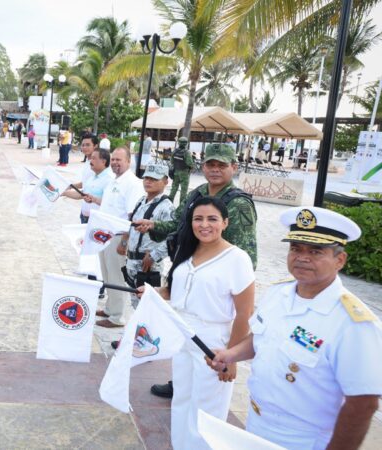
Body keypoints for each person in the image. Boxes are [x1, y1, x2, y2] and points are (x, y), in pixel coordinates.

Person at [207, 207, 381, 450]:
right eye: (295, 249)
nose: (302, 257)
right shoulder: (278, 293)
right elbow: (261, 338)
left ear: (339, 260)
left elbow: (363, 403)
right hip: (256, 423)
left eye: (316, 251)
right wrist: (231, 354)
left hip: (304, 441)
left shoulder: (353, 323)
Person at [134, 143, 257, 399]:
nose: (215, 170)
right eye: (211, 164)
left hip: (215, 303)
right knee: (184, 389)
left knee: (205, 404)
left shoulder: (239, 204)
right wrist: (154, 225)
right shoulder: (198, 192)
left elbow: (245, 257)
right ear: (203, 167)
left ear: (234, 168)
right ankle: (177, 382)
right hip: (189, 276)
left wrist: (232, 354)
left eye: (222, 165)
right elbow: (180, 224)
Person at [139, 195, 254, 450]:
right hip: (183, 336)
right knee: (182, 402)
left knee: (206, 414)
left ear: (225, 222)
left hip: (213, 343)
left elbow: (244, 314)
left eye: (212, 219)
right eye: (198, 219)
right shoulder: (187, 249)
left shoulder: (237, 259)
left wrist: (231, 357)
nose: (204, 225)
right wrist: (152, 292)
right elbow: (174, 291)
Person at [84, 146, 144, 327]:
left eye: (120, 160)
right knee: (108, 275)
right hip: (105, 235)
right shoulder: (113, 181)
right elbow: (110, 205)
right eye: (114, 160)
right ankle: (110, 309)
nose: (116, 163)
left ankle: (118, 317)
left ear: (129, 161)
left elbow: (133, 215)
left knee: (117, 276)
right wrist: (94, 199)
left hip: (118, 237)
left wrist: (125, 242)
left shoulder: (132, 184)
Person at [119, 163, 175, 306]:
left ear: (165, 181)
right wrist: (124, 242)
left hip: (148, 265)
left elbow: (172, 236)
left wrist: (154, 256)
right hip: (132, 261)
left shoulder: (166, 206)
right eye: (146, 178)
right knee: (135, 303)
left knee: (148, 306)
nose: (148, 182)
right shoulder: (141, 201)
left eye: (154, 179)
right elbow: (132, 223)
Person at [169, 136, 194, 205]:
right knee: (184, 190)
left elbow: (171, 161)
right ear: (186, 144)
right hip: (184, 173)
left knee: (174, 188)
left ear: (179, 143)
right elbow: (190, 163)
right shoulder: (187, 152)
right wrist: (191, 168)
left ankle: (169, 202)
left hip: (176, 172)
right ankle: (182, 206)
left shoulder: (175, 151)